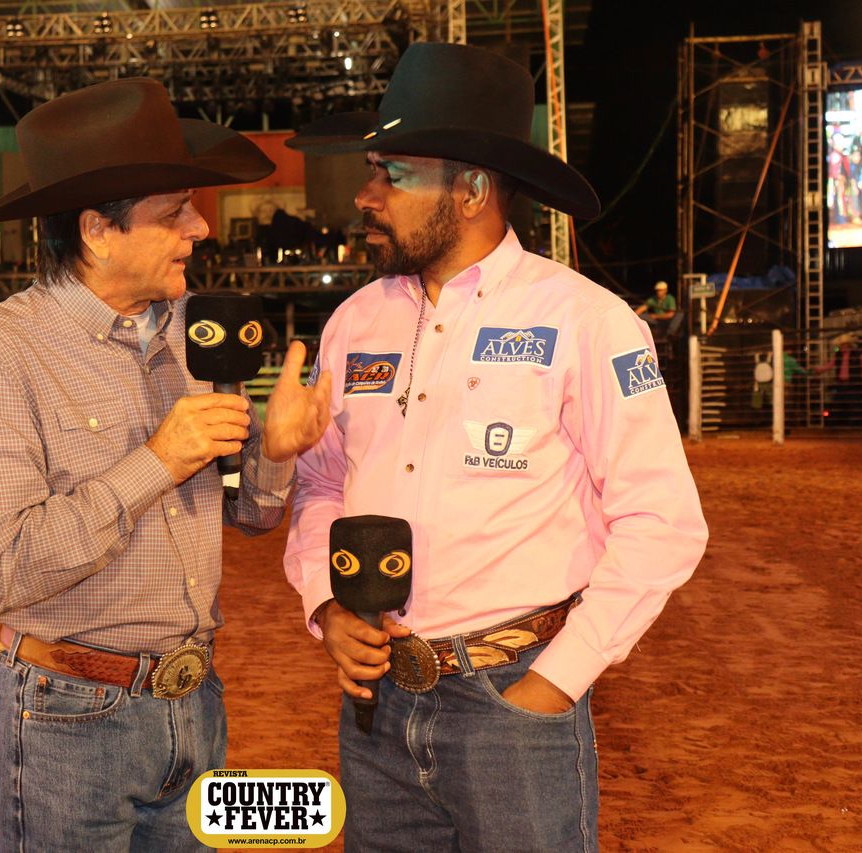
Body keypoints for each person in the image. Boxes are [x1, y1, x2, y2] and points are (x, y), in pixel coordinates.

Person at [282, 44, 708, 851]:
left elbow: (663, 520)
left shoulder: (586, 320)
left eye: (393, 175)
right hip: (376, 703)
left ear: (473, 189)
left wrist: (555, 681)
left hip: (515, 698)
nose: (366, 196)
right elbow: (322, 484)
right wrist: (325, 603)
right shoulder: (354, 323)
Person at [0, 77, 331, 852]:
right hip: (66, 717)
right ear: (97, 230)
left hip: (195, 704)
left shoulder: (196, 330)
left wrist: (276, 455)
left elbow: (251, 514)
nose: (200, 227)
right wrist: (156, 461)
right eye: (175, 210)